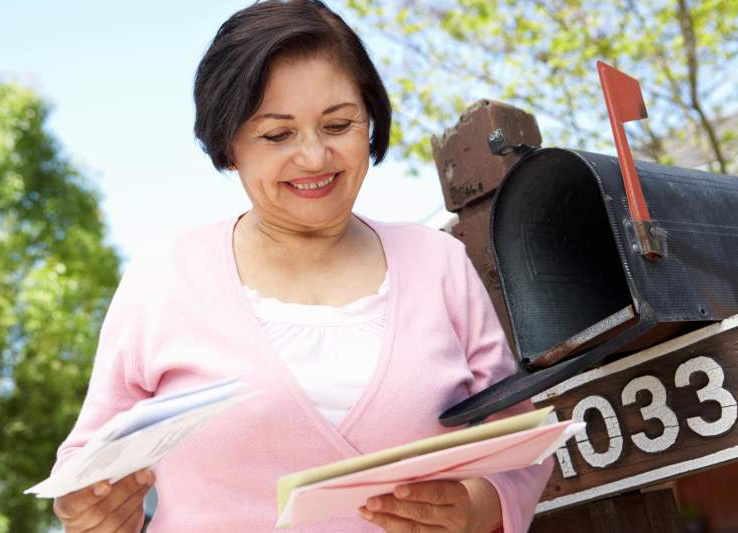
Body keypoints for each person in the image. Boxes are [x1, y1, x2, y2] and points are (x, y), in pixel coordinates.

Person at [51, 1, 553, 531]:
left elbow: (518, 443)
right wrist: (94, 511)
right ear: (228, 143)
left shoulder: (438, 263)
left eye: (338, 124)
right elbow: (88, 464)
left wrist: (476, 506)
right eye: (277, 134)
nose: (315, 157)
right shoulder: (164, 277)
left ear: (371, 121)